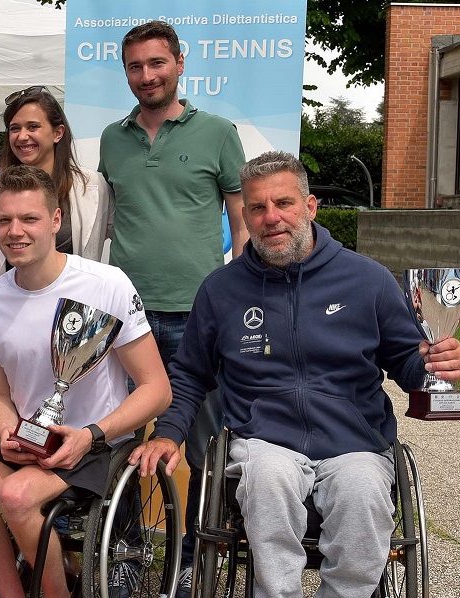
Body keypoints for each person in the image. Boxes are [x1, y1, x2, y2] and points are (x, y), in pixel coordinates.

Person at [130, 151, 460, 597]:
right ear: (244, 214)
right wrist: (168, 432)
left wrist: (436, 365)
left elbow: (406, 362)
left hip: (356, 441)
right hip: (263, 439)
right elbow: (189, 375)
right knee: (267, 482)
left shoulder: (368, 280)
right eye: (258, 207)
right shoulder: (221, 290)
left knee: (363, 494)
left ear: (310, 206)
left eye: (283, 203)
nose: (271, 218)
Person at [0, 166, 171, 598]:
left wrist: (91, 435)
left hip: (96, 440)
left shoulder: (106, 284)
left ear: (55, 221)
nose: (15, 231)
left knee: (16, 496)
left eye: (29, 219)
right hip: (29, 436)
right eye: (4, 220)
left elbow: (157, 389)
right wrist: (5, 429)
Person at [98, 21, 248, 593]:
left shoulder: (216, 132)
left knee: (204, 441)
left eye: (157, 63)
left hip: (198, 315)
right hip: (128, 318)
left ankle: (192, 553)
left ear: (180, 64)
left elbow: (239, 220)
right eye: (135, 67)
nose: (147, 76)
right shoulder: (113, 139)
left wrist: (233, 290)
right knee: (126, 439)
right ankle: (129, 546)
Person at [0, 85, 111, 269]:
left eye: (33, 127)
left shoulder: (93, 186)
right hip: (18, 294)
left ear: (58, 133)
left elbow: (126, 239)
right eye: (15, 128)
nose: (22, 136)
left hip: (77, 295)